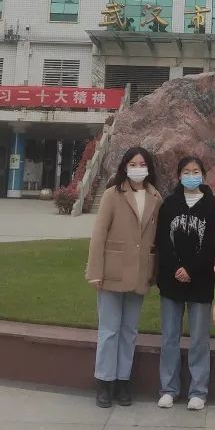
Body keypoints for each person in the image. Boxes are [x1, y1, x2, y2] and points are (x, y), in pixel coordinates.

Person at [85, 146, 163, 409]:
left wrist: (154, 272)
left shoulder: (155, 197)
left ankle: (122, 381)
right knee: (109, 330)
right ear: (125, 167)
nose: (138, 168)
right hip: (112, 272)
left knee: (129, 331)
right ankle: (104, 382)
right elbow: (99, 235)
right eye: (133, 164)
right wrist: (94, 272)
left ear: (149, 168)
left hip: (140, 272)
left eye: (142, 164)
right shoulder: (112, 194)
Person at [155, 155, 215, 411]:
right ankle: (168, 389)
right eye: (186, 171)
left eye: (195, 171)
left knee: (199, 339)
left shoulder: (211, 205)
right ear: (179, 175)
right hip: (171, 280)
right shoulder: (170, 204)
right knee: (169, 337)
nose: (191, 175)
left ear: (202, 175)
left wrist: (191, 269)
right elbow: (162, 241)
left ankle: (198, 391)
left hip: (200, 280)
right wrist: (176, 269)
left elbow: (211, 244)